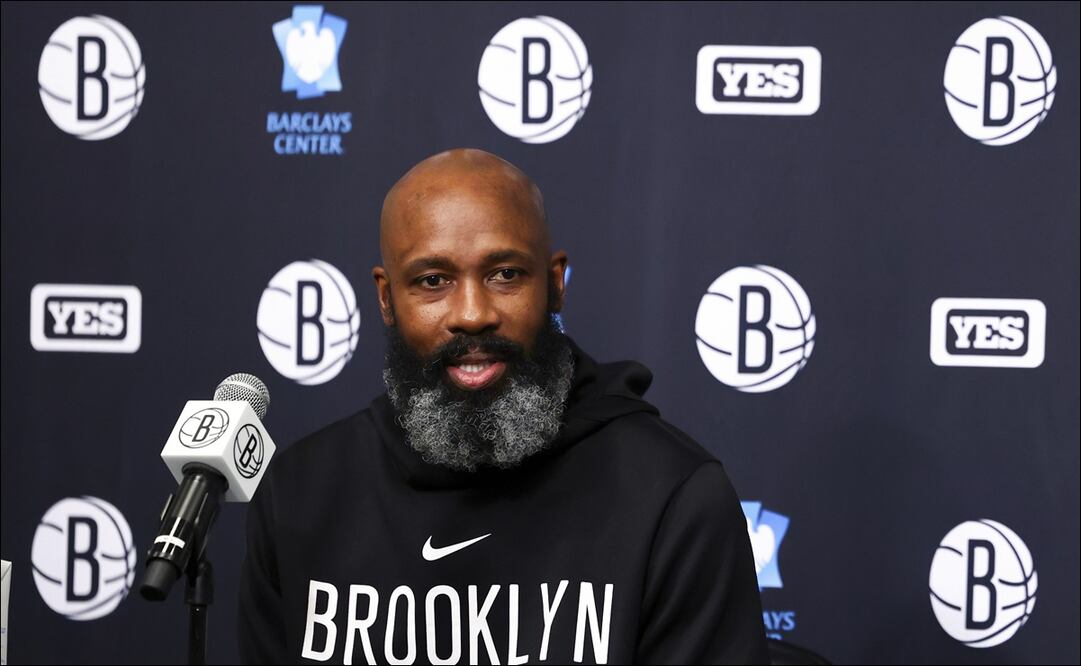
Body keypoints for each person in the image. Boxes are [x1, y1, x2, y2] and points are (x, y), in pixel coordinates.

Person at [238, 148, 768, 664]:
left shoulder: (672, 497)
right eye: (433, 281)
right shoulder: (299, 494)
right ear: (386, 298)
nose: (472, 314)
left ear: (555, 284)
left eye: (505, 274)